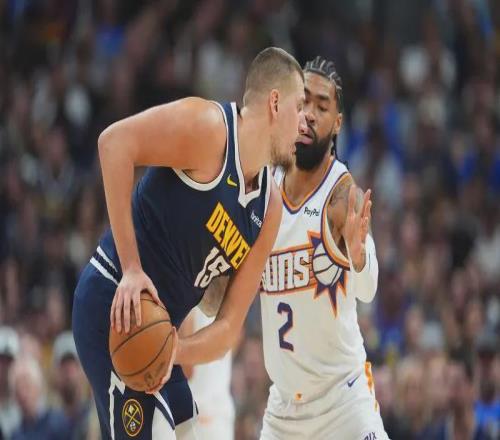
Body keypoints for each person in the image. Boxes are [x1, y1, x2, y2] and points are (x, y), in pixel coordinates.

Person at [72, 46, 306, 440]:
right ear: (275, 103)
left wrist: (174, 350)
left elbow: (228, 328)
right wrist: (131, 267)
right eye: (299, 107)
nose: (304, 123)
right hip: (113, 304)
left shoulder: (270, 207)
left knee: (189, 431)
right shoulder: (209, 129)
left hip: (157, 336)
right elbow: (114, 144)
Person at [259, 56, 388, 439]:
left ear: (337, 123)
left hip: (343, 402)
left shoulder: (342, 194)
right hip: (284, 411)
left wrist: (359, 256)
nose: (309, 115)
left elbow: (368, 290)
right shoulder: (263, 187)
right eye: (303, 103)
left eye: (321, 106)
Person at [179, 302, 235, 440]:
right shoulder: (225, 296)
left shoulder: (186, 301)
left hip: (196, 417)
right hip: (220, 413)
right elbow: (237, 335)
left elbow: (186, 369)